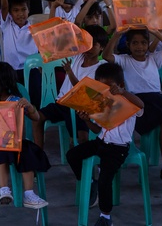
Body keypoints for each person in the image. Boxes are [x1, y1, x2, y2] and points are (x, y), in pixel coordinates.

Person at [66, 62, 144, 226]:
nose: (105, 91)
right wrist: (87, 120)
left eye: (109, 87)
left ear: (120, 85)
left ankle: (105, 216)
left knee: (105, 180)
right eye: (101, 86)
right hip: (100, 142)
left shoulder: (128, 102)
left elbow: (141, 105)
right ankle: (89, 183)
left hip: (118, 149)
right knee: (72, 155)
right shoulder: (100, 102)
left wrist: (123, 92)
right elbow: (96, 130)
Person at [0, 61, 50, 209]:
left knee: (29, 153)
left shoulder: (16, 101)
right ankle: (4, 189)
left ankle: (29, 193)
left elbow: (36, 118)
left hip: (17, 142)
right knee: (0, 153)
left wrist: (30, 107)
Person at [103, 27, 162, 182]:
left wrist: (157, 33)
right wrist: (117, 34)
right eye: (135, 43)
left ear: (148, 44)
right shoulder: (124, 60)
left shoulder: (153, 58)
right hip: (135, 101)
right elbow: (106, 55)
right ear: (128, 45)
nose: (139, 46)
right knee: (160, 114)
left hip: (156, 99)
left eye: (143, 43)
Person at [34, 25, 109, 150]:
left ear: (101, 47)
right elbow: (63, 41)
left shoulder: (101, 68)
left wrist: (69, 72)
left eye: (94, 44)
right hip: (62, 103)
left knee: (82, 138)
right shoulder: (78, 56)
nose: (89, 47)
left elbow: (82, 90)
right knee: (37, 117)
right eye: (86, 43)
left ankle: (84, 164)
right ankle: (38, 155)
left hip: (80, 107)